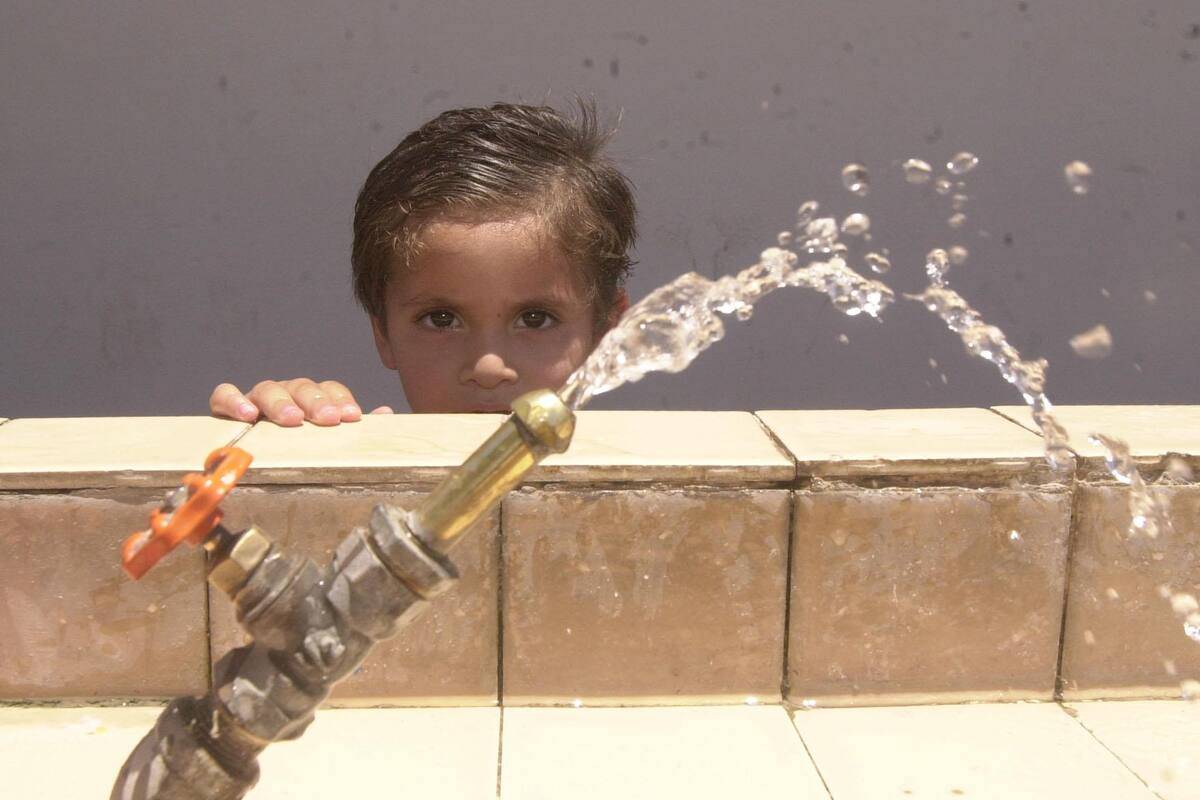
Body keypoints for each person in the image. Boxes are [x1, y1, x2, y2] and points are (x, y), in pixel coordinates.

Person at [209, 101, 634, 424]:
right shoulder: (368, 477)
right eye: (442, 319)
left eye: (536, 319)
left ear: (606, 335)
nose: (488, 369)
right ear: (384, 333)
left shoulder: (640, 497)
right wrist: (281, 435)